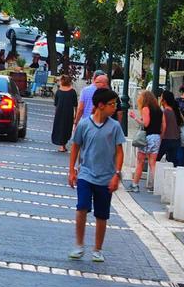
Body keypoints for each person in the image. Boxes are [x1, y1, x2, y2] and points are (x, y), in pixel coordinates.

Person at [68, 87, 124, 262]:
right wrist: (71, 170)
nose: (114, 107)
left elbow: (120, 151)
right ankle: (79, 245)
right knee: (82, 207)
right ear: (100, 105)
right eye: (111, 104)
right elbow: (76, 146)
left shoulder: (114, 127)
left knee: (102, 214)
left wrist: (117, 174)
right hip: (85, 173)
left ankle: (97, 249)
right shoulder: (85, 124)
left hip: (106, 177)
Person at [127, 90, 162, 192]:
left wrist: (135, 117)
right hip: (156, 137)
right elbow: (163, 125)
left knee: (140, 161)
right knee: (152, 163)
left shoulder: (146, 108)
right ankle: (158, 186)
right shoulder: (159, 110)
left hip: (148, 137)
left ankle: (135, 184)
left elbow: (145, 124)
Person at [52, 74, 78, 152]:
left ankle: (61, 145)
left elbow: (56, 104)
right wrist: (75, 114)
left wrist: (55, 113)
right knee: (67, 128)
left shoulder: (58, 92)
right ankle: (63, 145)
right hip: (69, 113)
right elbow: (75, 104)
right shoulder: (72, 92)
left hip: (59, 112)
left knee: (60, 128)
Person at [158, 90, 182, 165]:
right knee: (172, 163)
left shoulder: (165, 111)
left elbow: (164, 127)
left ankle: (153, 175)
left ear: (164, 100)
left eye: (161, 98)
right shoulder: (174, 111)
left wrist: (160, 138)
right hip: (176, 140)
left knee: (155, 159)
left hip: (166, 139)